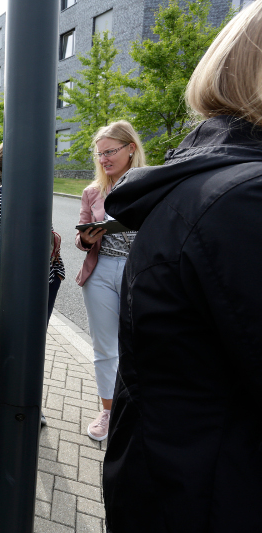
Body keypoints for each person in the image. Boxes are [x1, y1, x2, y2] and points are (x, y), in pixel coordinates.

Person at [102, 3, 262, 530]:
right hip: (211, 496)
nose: (103, 160)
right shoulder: (242, 200)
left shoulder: (203, 188)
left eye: (110, 151)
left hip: (175, 486)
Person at [0, 146, 65, 425]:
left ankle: (29, 401)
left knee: (33, 345)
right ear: (4, 169)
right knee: (1, 343)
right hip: (7, 287)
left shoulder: (38, 197)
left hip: (45, 282)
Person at [74, 120, 145, 442]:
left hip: (140, 272)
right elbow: (80, 235)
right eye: (99, 154)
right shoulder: (93, 191)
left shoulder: (149, 184)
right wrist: (87, 238)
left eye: (110, 152)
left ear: (131, 149)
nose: (103, 159)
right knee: (105, 348)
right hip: (101, 272)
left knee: (142, 344)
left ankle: (140, 410)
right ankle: (108, 411)